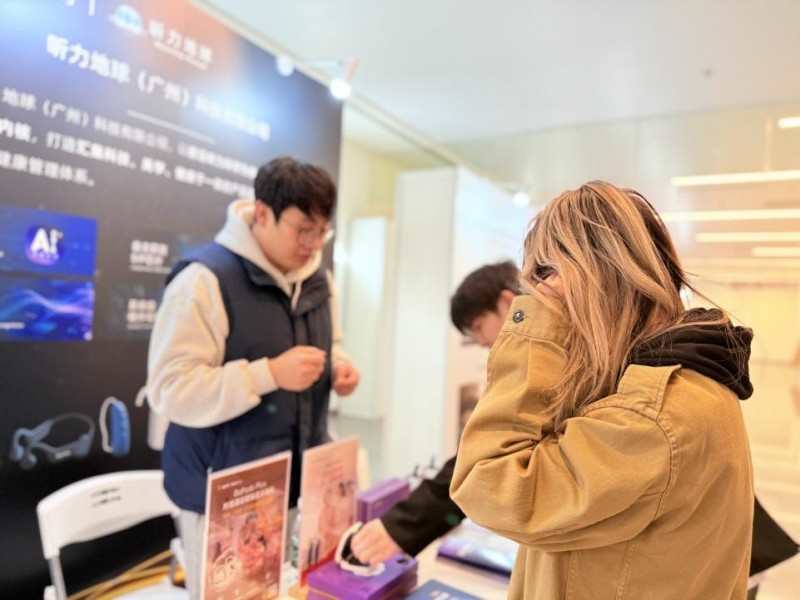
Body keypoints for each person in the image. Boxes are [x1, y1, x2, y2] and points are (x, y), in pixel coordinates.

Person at [450, 181, 756, 599]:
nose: (540, 298)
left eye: (545, 278)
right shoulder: (668, 384)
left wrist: (532, 329)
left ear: (588, 278)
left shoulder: (652, 417)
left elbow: (487, 482)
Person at [147, 156, 360, 598]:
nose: (313, 244)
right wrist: (268, 374)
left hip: (296, 484)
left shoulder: (320, 281)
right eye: (303, 230)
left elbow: (332, 343)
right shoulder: (204, 280)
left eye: (322, 232)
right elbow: (171, 389)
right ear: (262, 214)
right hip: (224, 496)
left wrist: (338, 366)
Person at [351, 261, 520, 564]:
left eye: (478, 326)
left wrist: (400, 527)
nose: (481, 341)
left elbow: (482, 458)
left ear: (507, 302)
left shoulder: (538, 365)